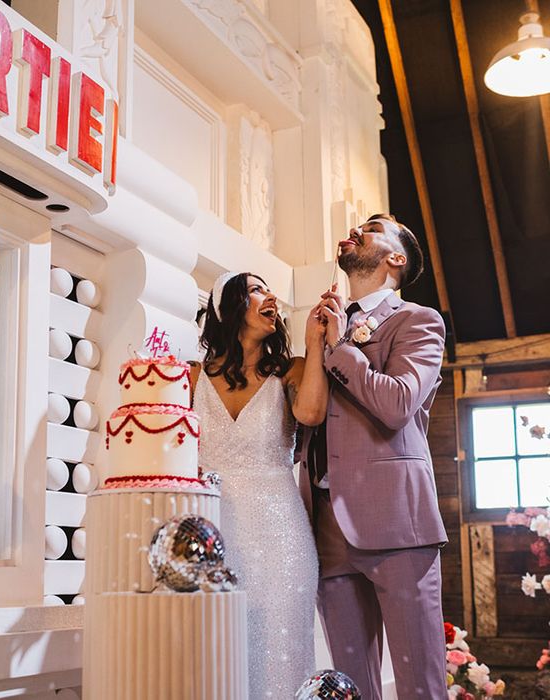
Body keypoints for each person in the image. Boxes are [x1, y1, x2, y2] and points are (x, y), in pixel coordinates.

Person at [300, 213, 448, 699]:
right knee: (350, 687)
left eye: (373, 226)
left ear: (396, 258)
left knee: (419, 684)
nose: (356, 227)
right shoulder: (323, 328)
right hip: (326, 526)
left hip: (397, 524)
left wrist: (341, 346)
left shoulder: (419, 321)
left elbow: (398, 403)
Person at [190, 271, 327, 697]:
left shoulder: (291, 369)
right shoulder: (191, 377)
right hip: (213, 531)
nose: (271, 297)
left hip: (280, 536)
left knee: (281, 650)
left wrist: (315, 343)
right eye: (256, 289)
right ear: (229, 306)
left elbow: (310, 414)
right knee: (214, 650)